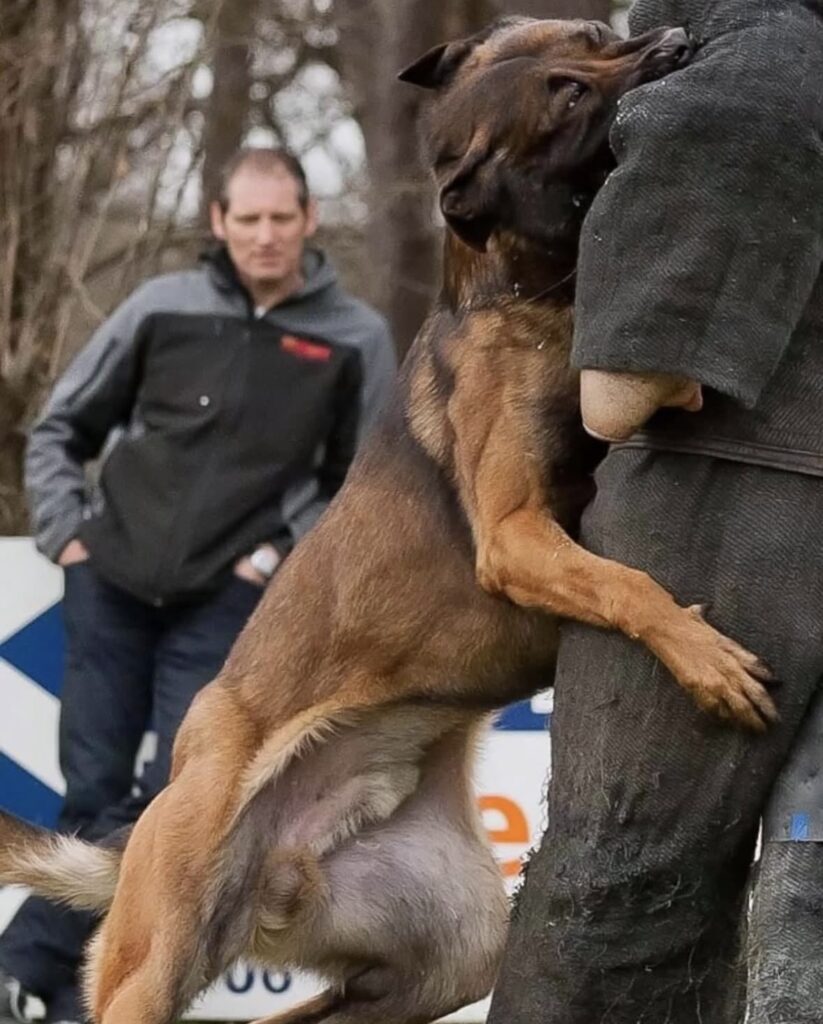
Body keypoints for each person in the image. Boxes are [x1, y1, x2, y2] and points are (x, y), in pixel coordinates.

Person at [0, 147, 396, 1024]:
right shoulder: (159, 307)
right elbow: (61, 426)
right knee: (95, 791)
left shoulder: (353, 335)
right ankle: (77, 1001)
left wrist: (273, 560)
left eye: (279, 218)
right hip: (109, 583)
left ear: (307, 221)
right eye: (246, 219)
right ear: (219, 222)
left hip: (232, 604)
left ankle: (20, 966)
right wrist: (70, 534)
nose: (263, 235)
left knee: (180, 803)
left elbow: (362, 488)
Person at [486, 1, 823, 1023]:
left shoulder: (730, 87)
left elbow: (616, 392)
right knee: (804, 896)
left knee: (614, 904)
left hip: (720, 531)